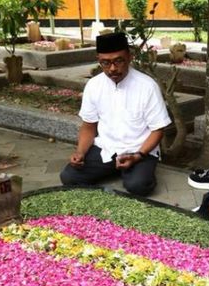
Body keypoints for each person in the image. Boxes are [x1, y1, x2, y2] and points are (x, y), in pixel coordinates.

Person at [60, 32, 171, 195]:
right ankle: (113, 169)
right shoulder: (94, 85)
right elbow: (88, 126)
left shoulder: (147, 86)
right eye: (106, 63)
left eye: (118, 61)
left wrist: (138, 156)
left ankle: (130, 170)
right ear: (99, 60)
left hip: (139, 150)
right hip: (106, 148)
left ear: (129, 57)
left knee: (139, 186)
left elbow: (158, 130)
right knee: (69, 177)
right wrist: (81, 152)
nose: (112, 68)